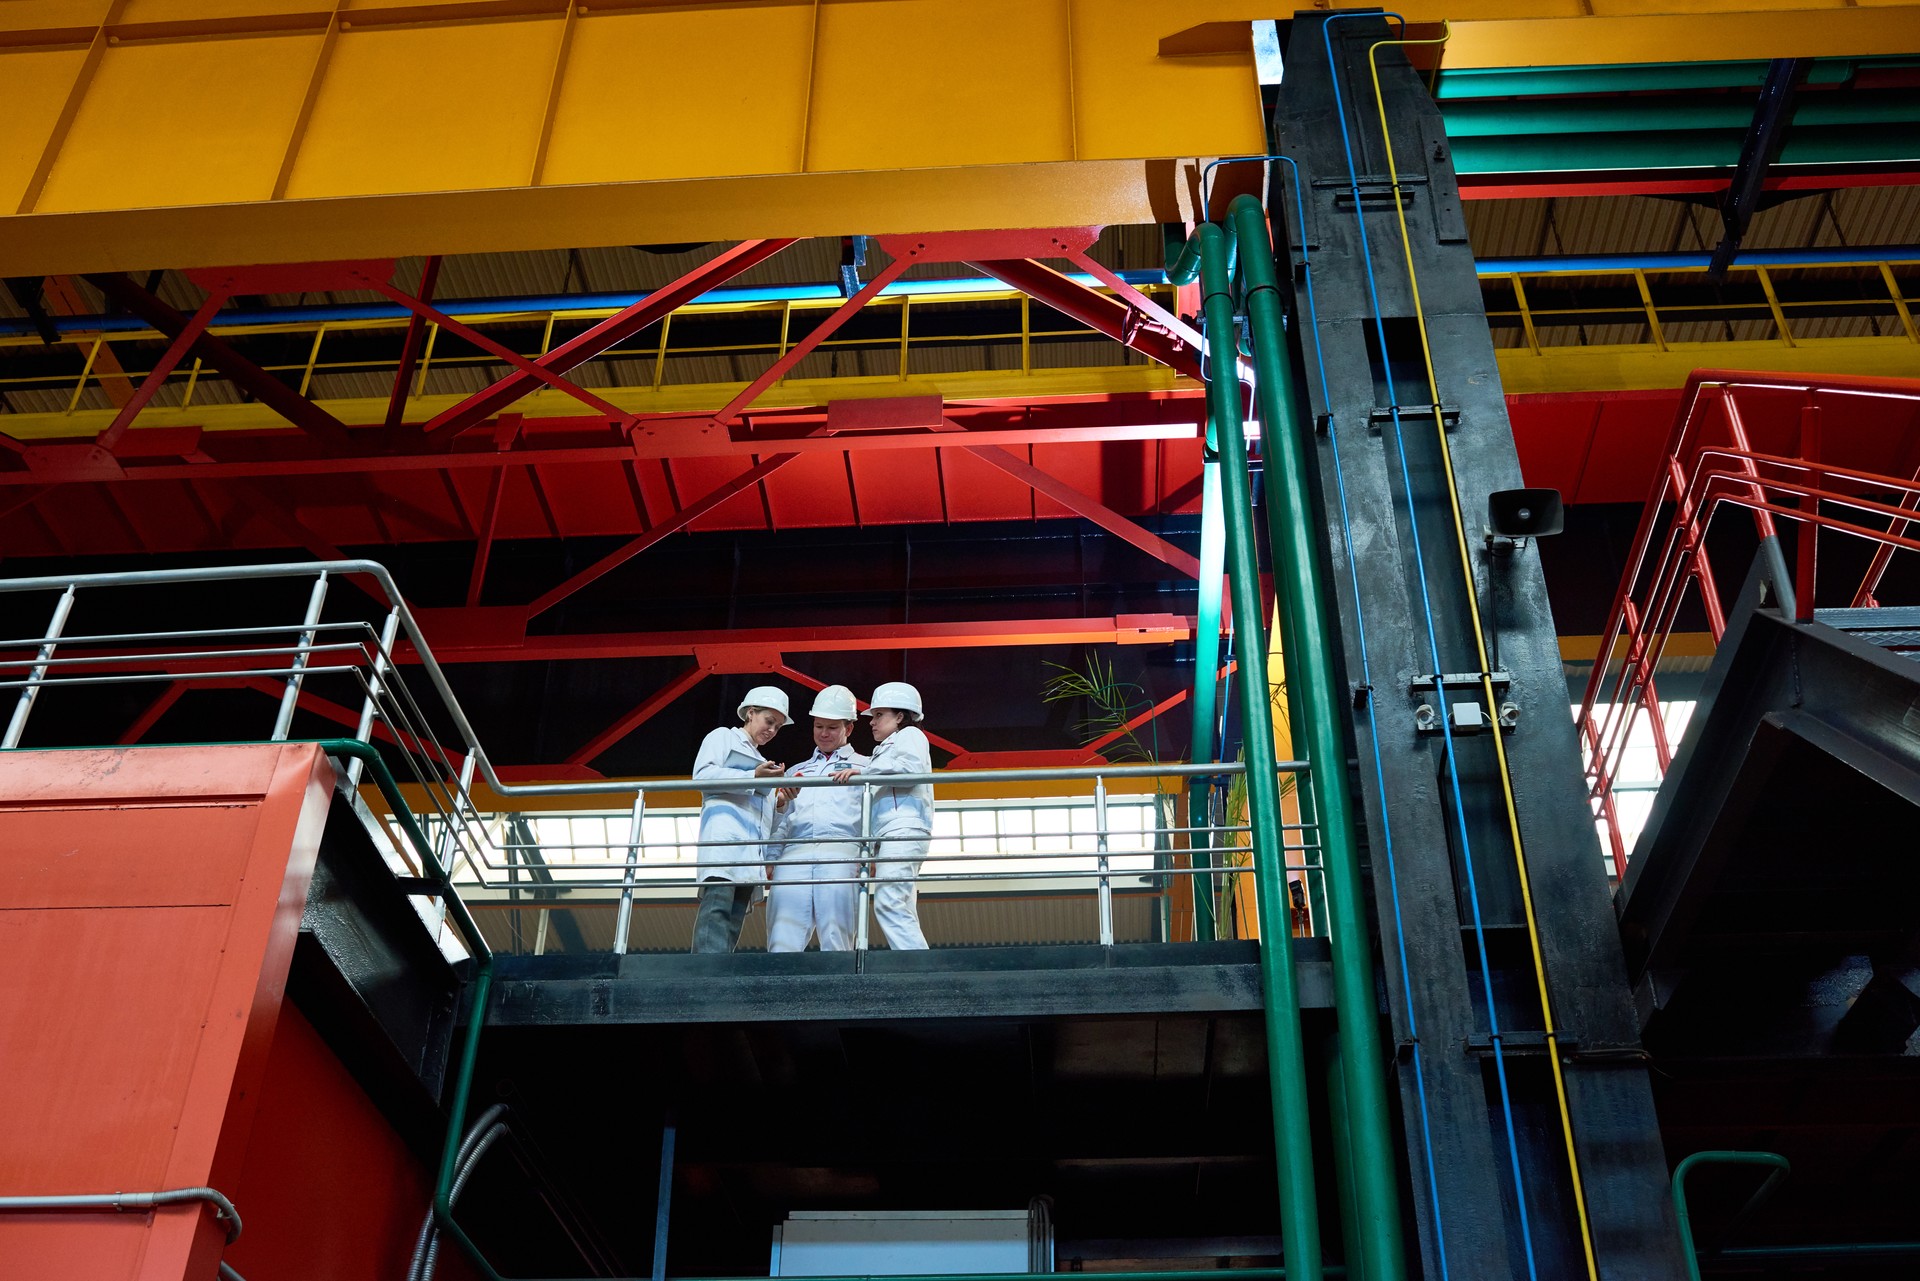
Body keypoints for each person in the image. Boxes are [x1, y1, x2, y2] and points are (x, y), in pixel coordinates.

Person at [766, 685, 867, 952]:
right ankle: (777, 993)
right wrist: (771, 857)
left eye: (832, 727)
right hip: (794, 854)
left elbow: (876, 816)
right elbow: (782, 821)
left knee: (836, 936)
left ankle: (838, 993)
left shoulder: (866, 767)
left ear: (849, 728)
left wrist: (873, 855)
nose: (823, 733)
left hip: (842, 851)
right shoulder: (798, 771)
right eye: (818, 725)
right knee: (782, 937)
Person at [833, 680, 932, 950]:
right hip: (895, 832)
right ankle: (920, 970)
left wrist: (864, 772)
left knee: (889, 902)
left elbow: (910, 772)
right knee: (901, 904)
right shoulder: (886, 748)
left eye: (879, 715)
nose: (872, 722)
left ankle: (917, 970)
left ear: (900, 716)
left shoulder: (910, 736)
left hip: (904, 829)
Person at [689, 685, 788, 953]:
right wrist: (752, 777)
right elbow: (702, 777)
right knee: (717, 910)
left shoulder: (764, 763)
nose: (772, 730)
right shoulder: (723, 738)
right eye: (769, 721)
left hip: (750, 856)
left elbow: (764, 823)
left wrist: (780, 804)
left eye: (777, 727)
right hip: (725, 844)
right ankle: (705, 974)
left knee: (733, 921)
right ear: (750, 713)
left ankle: (718, 977)